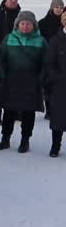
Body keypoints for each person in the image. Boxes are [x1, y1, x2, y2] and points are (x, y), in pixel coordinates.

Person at [0, 11, 47, 154]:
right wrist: (3, 75)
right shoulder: (9, 39)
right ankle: (5, 139)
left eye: (28, 24)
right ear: (17, 25)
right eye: (22, 24)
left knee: (28, 113)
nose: (25, 26)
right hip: (12, 81)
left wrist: (40, 78)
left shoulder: (41, 41)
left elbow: (45, 63)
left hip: (31, 82)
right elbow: (1, 59)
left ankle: (25, 141)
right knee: (9, 112)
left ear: (33, 26)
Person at [38, 0, 64, 119]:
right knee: (48, 85)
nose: (58, 9)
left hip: (63, 58)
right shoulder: (43, 23)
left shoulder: (64, 22)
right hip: (48, 57)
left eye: (61, 7)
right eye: (56, 6)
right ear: (51, 7)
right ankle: (49, 110)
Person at [45, 15, 66, 157]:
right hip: (61, 85)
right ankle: (55, 145)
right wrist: (57, 78)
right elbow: (50, 64)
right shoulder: (55, 40)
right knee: (59, 117)